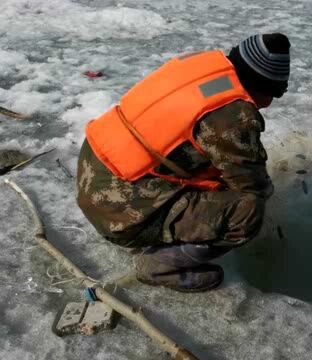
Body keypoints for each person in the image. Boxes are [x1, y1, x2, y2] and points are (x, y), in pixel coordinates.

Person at [76, 33, 290, 292]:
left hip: (96, 165)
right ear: (261, 85)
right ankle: (159, 265)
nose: (269, 104)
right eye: (274, 94)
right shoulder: (233, 115)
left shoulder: (201, 65)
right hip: (118, 209)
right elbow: (252, 184)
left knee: (217, 181)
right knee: (248, 211)